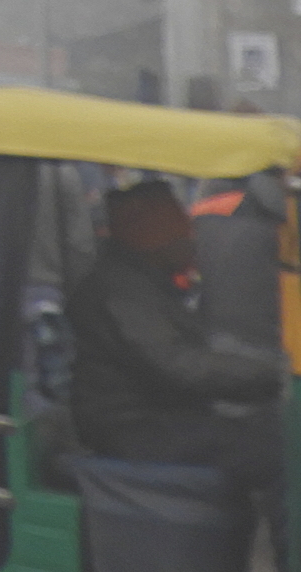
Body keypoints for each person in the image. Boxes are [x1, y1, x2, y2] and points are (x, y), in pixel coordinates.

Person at [69, 179, 287, 549]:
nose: (193, 241)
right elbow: (177, 366)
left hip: (158, 418)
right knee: (281, 453)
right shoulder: (122, 291)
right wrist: (270, 375)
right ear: (155, 241)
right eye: (184, 234)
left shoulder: (139, 280)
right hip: (136, 430)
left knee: (268, 433)